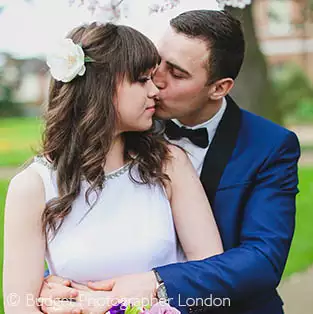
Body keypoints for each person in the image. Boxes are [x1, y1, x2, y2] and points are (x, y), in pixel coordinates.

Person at [40, 10, 300, 314]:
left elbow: (263, 258)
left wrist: (158, 283)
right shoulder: (126, 125)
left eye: (176, 74)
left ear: (219, 88)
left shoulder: (269, 146)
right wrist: (56, 282)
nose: (156, 80)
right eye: (157, 62)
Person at [3, 22, 224, 314]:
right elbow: (20, 306)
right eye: (142, 79)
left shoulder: (169, 164)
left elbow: (211, 279)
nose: (154, 90)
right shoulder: (33, 186)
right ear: (101, 87)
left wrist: (108, 304)